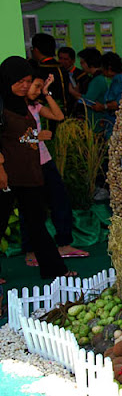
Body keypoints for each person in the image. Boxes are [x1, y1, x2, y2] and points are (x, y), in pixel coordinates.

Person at [0, 56, 76, 280]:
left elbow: (20, 139)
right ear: (7, 79)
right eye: (19, 81)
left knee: (37, 225)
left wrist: (34, 136)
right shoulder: (2, 104)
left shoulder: (24, 104)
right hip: (6, 176)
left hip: (29, 173)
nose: (25, 86)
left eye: (28, 81)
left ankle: (55, 271)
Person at [22, 67, 90, 267]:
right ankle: (30, 251)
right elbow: (12, 139)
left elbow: (58, 116)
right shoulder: (14, 109)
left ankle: (64, 244)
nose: (36, 89)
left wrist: (46, 93)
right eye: (35, 86)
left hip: (44, 160)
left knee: (60, 199)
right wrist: (36, 137)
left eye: (39, 86)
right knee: (32, 208)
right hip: (26, 165)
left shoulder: (35, 106)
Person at [31, 33, 72, 116]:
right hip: (67, 111)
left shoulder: (39, 69)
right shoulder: (62, 68)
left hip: (48, 113)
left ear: (36, 50)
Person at [97, 52, 122, 137]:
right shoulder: (116, 80)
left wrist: (103, 106)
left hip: (117, 126)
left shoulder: (119, 80)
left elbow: (119, 102)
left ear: (109, 68)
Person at [72, 48, 108, 127]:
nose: (81, 66)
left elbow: (87, 100)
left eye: (82, 63)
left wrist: (73, 93)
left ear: (90, 63)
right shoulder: (98, 78)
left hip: (96, 120)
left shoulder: (98, 80)